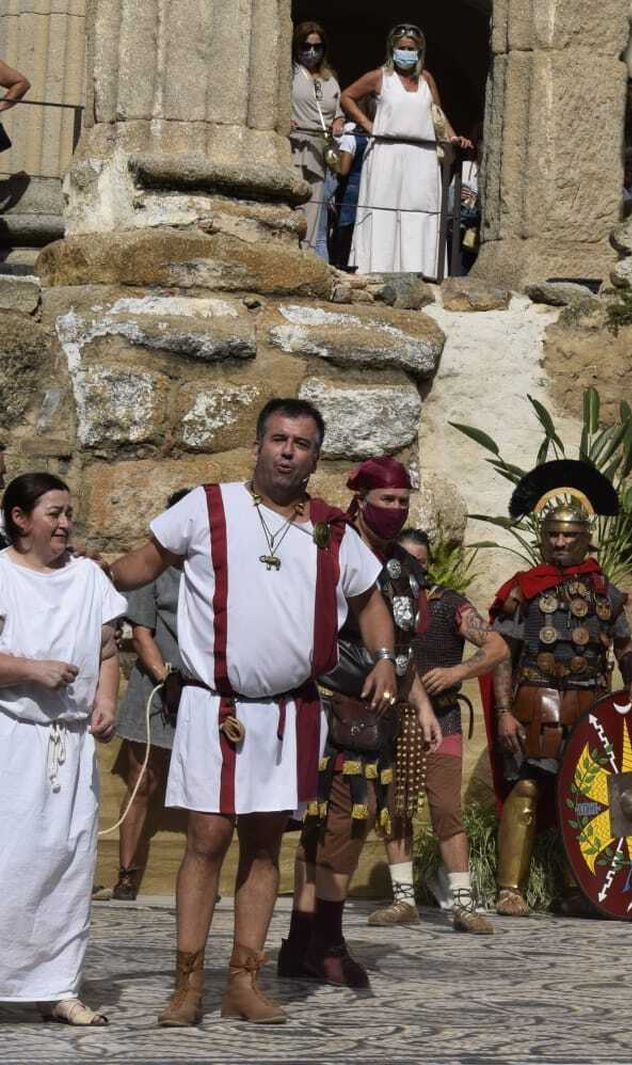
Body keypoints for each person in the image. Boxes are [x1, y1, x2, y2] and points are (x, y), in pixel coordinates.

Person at [108, 399, 398, 1026]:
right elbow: (138, 566)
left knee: (264, 846)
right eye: (277, 439)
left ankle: (244, 982)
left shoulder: (332, 529)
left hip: (291, 714)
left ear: (316, 456)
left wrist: (383, 659)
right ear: (258, 446)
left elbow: (371, 599)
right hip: (215, 706)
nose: (288, 451)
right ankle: (187, 988)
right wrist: (79, 575)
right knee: (206, 840)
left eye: (301, 442)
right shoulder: (208, 506)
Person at [281, 457, 443, 987]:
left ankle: (303, 943)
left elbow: (402, 652)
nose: (395, 511)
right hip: (332, 710)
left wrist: (419, 704)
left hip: (379, 718)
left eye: (402, 502)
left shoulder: (405, 569)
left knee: (337, 830)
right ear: (361, 501)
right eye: (385, 502)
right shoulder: (330, 552)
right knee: (336, 828)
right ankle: (323, 944)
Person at [489, 462, 632, 917]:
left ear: (585, 537)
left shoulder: (606, 592)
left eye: (568, 535)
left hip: (589, 708)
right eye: (553, 535)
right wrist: (502, 710)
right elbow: (503, 654)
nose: (559, 542)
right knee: (527, 791)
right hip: (533, 703)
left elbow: (625, 646)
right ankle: (509, 888)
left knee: (583, 800)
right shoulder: (524, 589)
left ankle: (579, 887)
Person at [0, 473, 123, 1025]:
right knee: (10, 865)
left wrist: (107, 700)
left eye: (69, 512)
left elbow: (108, 648)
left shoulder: (88, 580)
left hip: (69, 747)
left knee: (68, 864)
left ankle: (58, 985)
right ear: (21, 519)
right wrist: (30, 670)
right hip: (12, 740)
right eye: (53, 513)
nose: (65, 523)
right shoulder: (1, 575)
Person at [367, 528, 508, 933]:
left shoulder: (448, 605)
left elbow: (497, 647)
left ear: (429, 565)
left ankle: (464, 904)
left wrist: (457, 671)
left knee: (446, 809)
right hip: (391, 721)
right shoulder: (377, 604)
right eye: (404, 560)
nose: (413, 569)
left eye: (420, 561)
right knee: (395, 809)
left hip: (441, 720)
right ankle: (403, 900)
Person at [106, 487, 190, 901]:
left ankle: (199, 878)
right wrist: (166, 677)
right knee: (142, 782)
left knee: (203, 789)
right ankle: (126, 873)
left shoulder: (215, 570)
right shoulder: (152, 567)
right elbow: (141, 633)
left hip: (201, 689)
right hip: (155, 688)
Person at [342, 24, 472, 279]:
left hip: (421, 155)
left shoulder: (426, 80)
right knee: (384, 208)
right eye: (401, 48)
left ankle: (421, 270)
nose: (406, 52)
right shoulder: (379, 77)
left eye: (411, 49)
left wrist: (452, 137)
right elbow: (347, 96)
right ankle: (377, 268)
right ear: (392, 49)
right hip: (386, 152)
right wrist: (368, 124)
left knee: (418, 209)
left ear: (419, 51)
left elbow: (437, 114)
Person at [289, 22, 342, 262]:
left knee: (315, 206)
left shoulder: (331, 79)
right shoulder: (289, 73)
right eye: (306, 46)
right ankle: (290, 254)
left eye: (317, 46)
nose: (311, 51)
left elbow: (338, 111)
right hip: (296, 146)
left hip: (322, 150)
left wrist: (339, 121)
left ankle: (307, 258)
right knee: (294, 203)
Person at [328, 112, 372, 271]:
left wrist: (333, 162)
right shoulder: (372, 139)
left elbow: (344, 169)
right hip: (368, 186)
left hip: (351, 186)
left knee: (344, 224)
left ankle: (340, 262)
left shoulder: (350, 138)